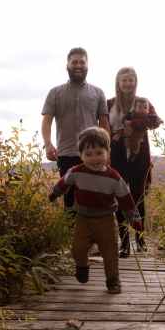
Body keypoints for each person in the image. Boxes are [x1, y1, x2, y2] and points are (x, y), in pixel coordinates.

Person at [48, 127, 142, 294]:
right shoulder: (76, 172)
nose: (94, 158)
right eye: (88, 154)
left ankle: (113, 281)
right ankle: (82, 266)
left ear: (107, 152)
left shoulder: (114, 178)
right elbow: (64, 183)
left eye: (99, 153)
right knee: (78, 248)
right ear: (81, 155)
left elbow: (126, 200)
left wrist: (134, 220)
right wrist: (55, 193)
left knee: (110, 252)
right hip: (83, 219)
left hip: (106, 220)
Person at [41, 47, 109, 213]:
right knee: (70, 200)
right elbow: (47, 121)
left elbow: (104, 124)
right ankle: (72, 237)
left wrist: (107, 151)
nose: (78, 65)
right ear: (67, 65)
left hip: (94, 154)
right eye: (74, 62)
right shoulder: (55, 93)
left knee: (94, 198)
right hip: (66, 154)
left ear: (87, 65)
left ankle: (92, 237)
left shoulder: (98, 93)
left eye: (82, 62)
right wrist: (48, 144)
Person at [107, 67, 162, 258]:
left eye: (131, 80)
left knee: (138, 198)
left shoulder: (144, 103)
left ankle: (140, 240)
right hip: (117, 155)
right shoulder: (110, 104)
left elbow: (155, 122)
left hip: (139, 155)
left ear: (135, 82)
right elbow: (104, 129)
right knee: (121, 197)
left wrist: (133, 124)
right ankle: (123, 242)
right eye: (124, 80)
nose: (128, 83)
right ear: (118, 83)